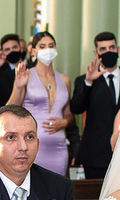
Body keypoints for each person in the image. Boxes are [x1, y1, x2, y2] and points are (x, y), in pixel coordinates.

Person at [70, 31, 120, 179]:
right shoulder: (84, 80)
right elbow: (76, 108)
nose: (108, 52)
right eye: (103, 49)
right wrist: (88, 82)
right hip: (95, 154)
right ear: (96, 53)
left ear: (118, 49)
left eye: (111, 48)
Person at [8, 31, 73, 175]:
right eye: (42, 46)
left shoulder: (65, 80)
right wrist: (19, 86)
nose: (47, 50)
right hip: (31, 144)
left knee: (57, 190)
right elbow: (10, 110)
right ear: (34, 51)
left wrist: (64, 123)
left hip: (58, 146)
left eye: (51, 46)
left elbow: (69, 115)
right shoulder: (26, 75)